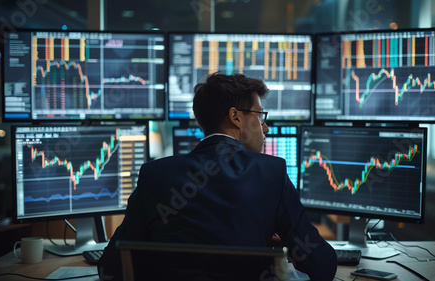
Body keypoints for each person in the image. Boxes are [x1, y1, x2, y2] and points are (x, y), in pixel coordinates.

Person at [98, 73, 337, 280]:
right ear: (235, 116)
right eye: (260, 116)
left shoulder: (155, 174)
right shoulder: (272, 172)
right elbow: (322, 267)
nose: (265, 128)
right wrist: (289, 244)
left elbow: (111, 267)